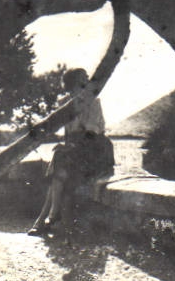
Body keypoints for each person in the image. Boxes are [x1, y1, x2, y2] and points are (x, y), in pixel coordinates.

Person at [28, 68, 112, 236]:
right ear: (72, 85)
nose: (87, 81)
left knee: (60, 162)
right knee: (61, 166)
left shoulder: (93, 102)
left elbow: (92, 133)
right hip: (75, 151)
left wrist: (70, 146)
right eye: (83, 79)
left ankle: (45, 218)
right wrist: (68, 145)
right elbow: (66, 132)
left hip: (96, 149)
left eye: (87, 78)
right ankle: (50, 216)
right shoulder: (65, 103)